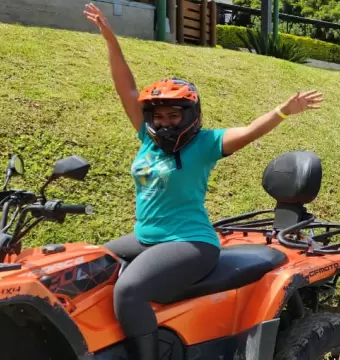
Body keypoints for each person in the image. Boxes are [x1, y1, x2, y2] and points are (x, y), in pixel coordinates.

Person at [83, 3, 323, 359]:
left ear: (189, 116)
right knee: (87, 266)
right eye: (158, 116)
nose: (164, 122)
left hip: (189, 242)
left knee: (128, 290)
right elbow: (127, 90)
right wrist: (110, 39)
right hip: (147, 238)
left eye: (173, 115)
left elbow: (249, 131)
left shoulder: (205, 144)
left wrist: (284, 110)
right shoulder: (147, 139)